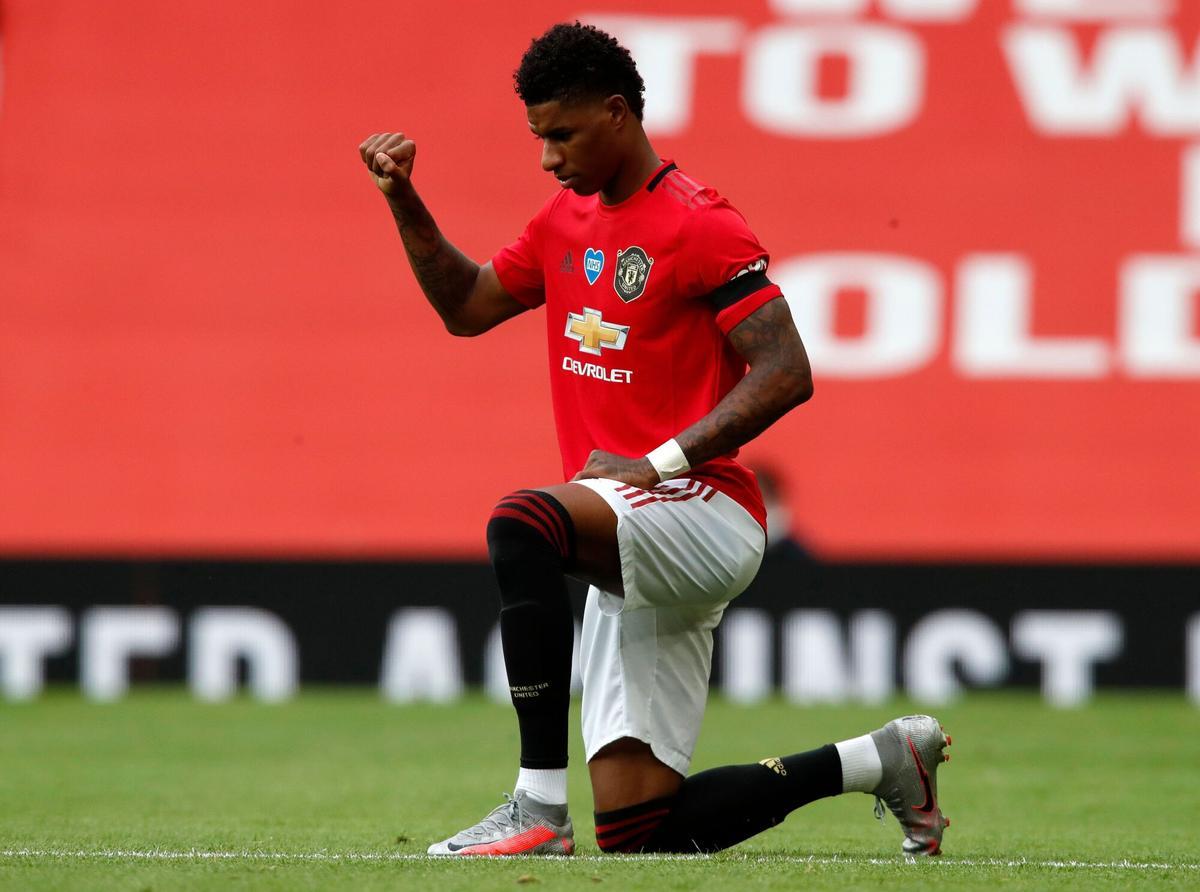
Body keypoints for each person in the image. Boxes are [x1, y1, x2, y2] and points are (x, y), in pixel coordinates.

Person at [357, 22, 951, 858]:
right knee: (643, 831)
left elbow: (786, 371)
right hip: (630, 528)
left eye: (561, 134)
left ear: (617, 114)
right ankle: (883, 759)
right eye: (538, 137)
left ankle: (536, 807)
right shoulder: (564, 220)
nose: (547, 158)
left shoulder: (700, 224)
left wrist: (659, 460)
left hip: (702, 509)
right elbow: (467, 308)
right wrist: (404, 201)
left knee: (521, 523)